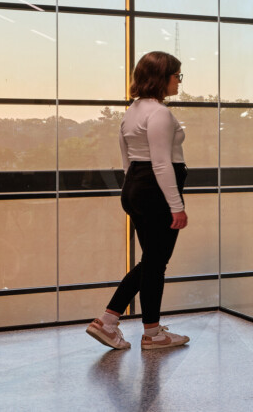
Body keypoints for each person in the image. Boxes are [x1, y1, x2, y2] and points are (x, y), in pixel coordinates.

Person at [85, 51, 192, 350]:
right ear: (162, 78)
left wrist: (134, 192)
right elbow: (161, 164)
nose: (179, 82)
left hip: (136, 188)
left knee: (151, 262)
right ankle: (153, 333)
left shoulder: (133, 110)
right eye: (176, 76)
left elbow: (127, 160)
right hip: (155, 191)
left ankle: (108, 321)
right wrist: (177, 206)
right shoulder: (159, 113)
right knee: (156, 265)